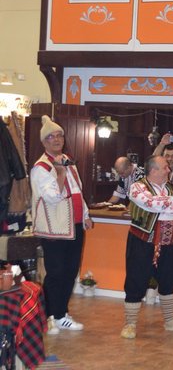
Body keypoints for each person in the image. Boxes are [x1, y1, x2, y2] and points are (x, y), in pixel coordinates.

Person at [31, 115, 93, 334]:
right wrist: (59, 173)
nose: (57, 140)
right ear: (44, 141)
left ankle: (60, 314)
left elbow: (77, 191)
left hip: (73, 225)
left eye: (60, 135)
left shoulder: (67, 160)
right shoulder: (41, 167)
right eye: (51, 137)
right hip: (54, 228)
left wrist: (85, 214)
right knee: (55, 273)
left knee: (70, 271)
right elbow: (52, 197)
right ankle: (48, 317)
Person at [120, 155, 173, 339]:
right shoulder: (137, 187)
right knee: (136, 279)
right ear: (153, 170)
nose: (169, 170)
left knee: (169, 279)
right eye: (165, 167)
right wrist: (172, 202)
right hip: (142, 241)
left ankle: (170, 322)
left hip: (169, 242)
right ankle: (130, 324)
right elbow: (150, 204)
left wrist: (165, 202)